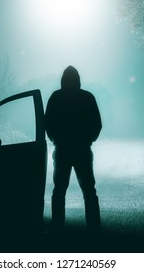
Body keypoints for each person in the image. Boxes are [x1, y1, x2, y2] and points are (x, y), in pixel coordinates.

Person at [45, 65, 102, 230]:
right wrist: (88, 140)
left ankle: (57, 224)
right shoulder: (87, 97)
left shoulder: (56, 97)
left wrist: (55, 139)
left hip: (62, 150)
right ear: (78, 80)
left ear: (63, 80)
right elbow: (97, 124)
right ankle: (94, 225)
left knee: (59, 190)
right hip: (83, 150)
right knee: (89, 190)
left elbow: (47, 122)